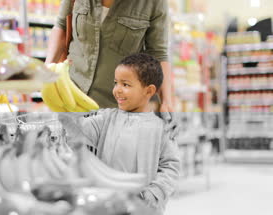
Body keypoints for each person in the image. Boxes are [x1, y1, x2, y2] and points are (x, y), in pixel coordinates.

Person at [59, 53, 180, 214]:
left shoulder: (162, 128)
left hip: (143, 207)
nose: (117, 90)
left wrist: (154, 193)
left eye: (126, 85)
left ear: (149, 90)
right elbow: (78, 132)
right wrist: (65, 106)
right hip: (107, 204)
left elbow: (170, 166)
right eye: (116, 83)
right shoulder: (105, 119)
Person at [46, 0, 175, 119]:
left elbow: (158, 53)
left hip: (117, 109)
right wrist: (47, 68)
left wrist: (166, 102)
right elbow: (61, 26)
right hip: (70, 96)